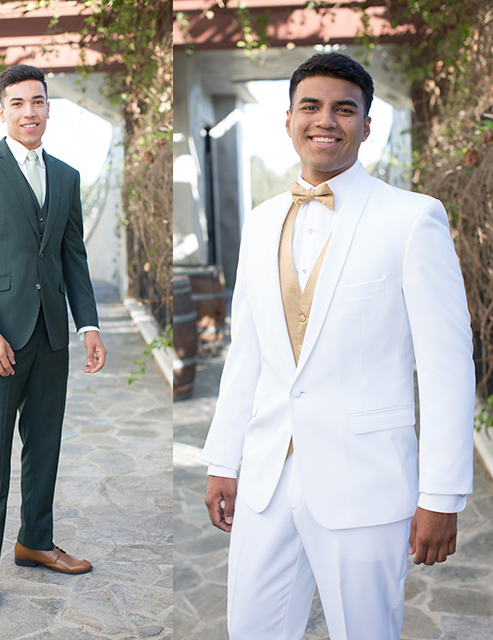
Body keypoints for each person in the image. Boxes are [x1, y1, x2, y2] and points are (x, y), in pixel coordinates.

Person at [201, 52, 475, 639]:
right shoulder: (260, 221)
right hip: (268, 479)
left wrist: (442, 494)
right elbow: (247, 350)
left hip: (365, 482)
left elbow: (447, 365)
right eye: (311, 106)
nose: (325, 120)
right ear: (289, 119)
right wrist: (224, 461)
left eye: (343, 109)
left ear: (366, 125)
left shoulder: (413, 219)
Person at [0, 63, 107, 618]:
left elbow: (72, 255)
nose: (29, 112)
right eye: (17, 103)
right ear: (2, 111)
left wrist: (87, 324)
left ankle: (35, 540)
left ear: (48, 108)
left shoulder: (65, 175)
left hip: (51, 336)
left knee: (45, 445)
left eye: (37, 101)